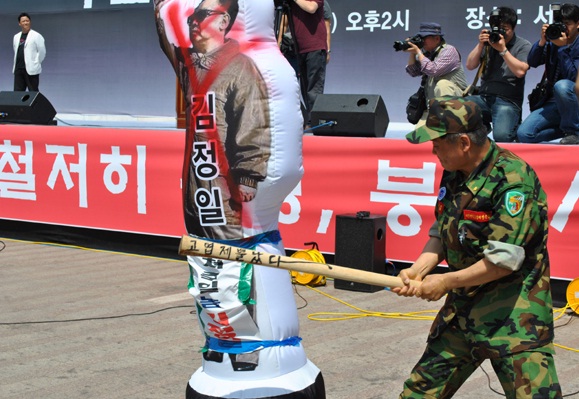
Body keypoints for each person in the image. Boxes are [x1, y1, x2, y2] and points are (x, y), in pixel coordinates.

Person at [395, 97, 561, 398]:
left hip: (513, 319)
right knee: (418, 393)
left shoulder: (513, 180)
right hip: (463, 312)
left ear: (463, 143)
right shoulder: (455, 169)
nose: (432, 150)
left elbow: (502, 261)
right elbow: (442, 230)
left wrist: (444, 281)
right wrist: (418, 270)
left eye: (436, 143)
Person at [465, 7, 531, 142]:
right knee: (459, 109)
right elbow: (470, 65)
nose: (501, 33)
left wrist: (503, 50)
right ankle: (482, 127)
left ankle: (514, 125)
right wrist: (480, 45)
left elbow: (520, 72)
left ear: (513, 27)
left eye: (504, 29)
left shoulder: (523, 45)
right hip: (483, 98)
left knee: (501, 137)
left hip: (508, 101)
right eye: (497, 28)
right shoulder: (489, 42)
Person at [517, 3, 579, 144]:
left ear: (578, 24)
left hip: (575, 101)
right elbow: (532, 61)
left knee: (562, 86)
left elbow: (574, 78)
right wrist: (542, 41)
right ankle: (565, 130)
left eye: (567, 24)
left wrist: (563, 48)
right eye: (560, 24)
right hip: (553, 102)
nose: (563, 28)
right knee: (524, 134)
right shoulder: (553, 41)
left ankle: (574, 132)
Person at [404, 22, 468, 124]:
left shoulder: (449, 50)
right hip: (434, 106)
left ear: (437, 38)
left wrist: (418, 52)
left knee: (443, 84)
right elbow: (413, 72)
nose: (422, 41)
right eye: (420, 37)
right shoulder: (427, 54)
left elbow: (433, 70)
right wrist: (412, 52)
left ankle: (450, 122)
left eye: (424, 38)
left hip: (456, 104)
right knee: (420, 136)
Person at [289, 0, 327, 127]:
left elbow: (311, 8)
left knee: (313, 88)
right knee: (304, 89)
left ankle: (315, 123)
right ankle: (308, 121)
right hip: (299, 48)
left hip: (315, 46)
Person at [12, 13, 46, 92]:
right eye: (23, 21)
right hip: (18, 69)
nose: (25, 23)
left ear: (30, 22)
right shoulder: (16, 37)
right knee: (17, 93)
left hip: (31, 70)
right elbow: (15, 50)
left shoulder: (36, 36)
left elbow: (42, 51)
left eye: (27, 21)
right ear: (19, 23)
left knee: (33, 93)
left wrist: (36, 62)